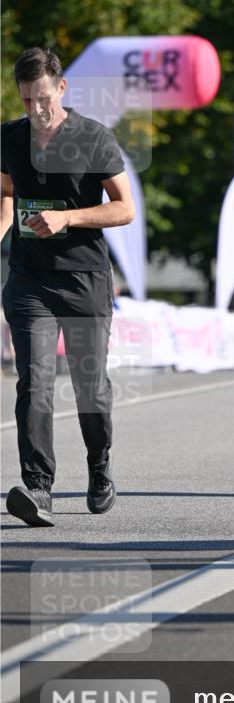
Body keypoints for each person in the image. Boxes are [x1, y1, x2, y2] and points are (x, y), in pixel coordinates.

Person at [1, 47, 135, 527]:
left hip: (84, 279)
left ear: (61, 88)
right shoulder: (9, 138)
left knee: (88, 387)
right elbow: (6, 195)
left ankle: (99, 467)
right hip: (29, 280)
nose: (36, 109)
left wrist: (68, 218)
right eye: (26, 100)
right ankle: (38, 487)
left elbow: (124, 208)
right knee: (34, 381)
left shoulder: (93, 137)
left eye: (43, 98)